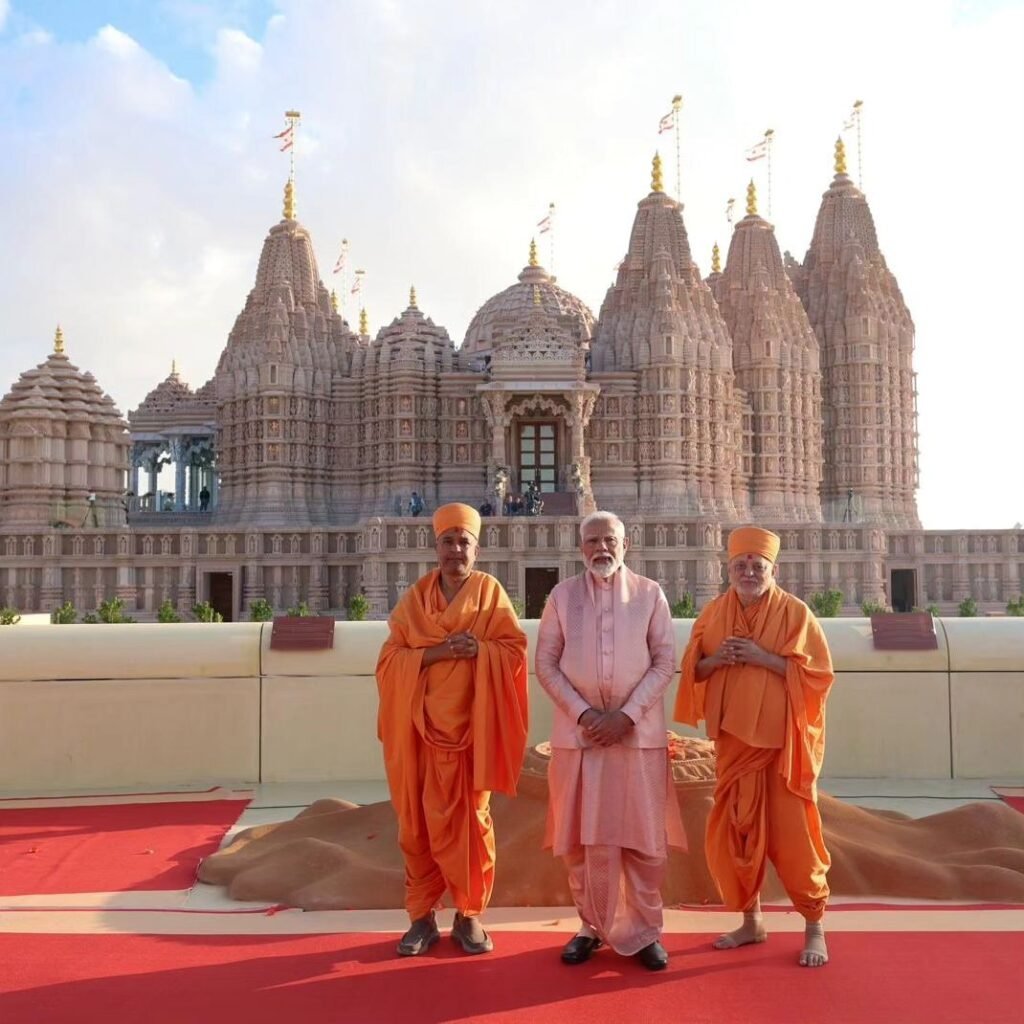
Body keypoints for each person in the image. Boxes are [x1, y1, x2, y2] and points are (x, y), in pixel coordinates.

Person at [676, 526, 834, 967]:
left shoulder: (796, 614)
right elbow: (694, 671)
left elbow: (819, 677)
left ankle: (815, 926)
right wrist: (717, 659)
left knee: (795, 837)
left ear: (772, 570)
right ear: (727, 569)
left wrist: (762, 657)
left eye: (756, 566)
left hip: (781, 749)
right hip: (733, 746)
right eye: (740, 565)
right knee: (740, 834)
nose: (748, 571)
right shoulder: (712, 613)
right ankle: (752, 921)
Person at [376, 502, 529, 958]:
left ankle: (468, 915)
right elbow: (388, 662)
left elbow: (514, 650)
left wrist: (481, 649)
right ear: (436, 547)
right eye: (448, 541)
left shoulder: (490, 593)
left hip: (471, 734)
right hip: (419, 735)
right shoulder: (416, 599)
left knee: (472, 825)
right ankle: (421, 917)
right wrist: (440, 653)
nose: (455, 550)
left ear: (476, 550)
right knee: (416, 824)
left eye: (464, 542)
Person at [535, 510, 683, 971]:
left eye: (610, 540)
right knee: (581, 841)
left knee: (643, 840)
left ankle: (645, 931)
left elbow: (664, 662)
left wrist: (626, 715)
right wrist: (584, 715)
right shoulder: (561, 597)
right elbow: (546, 664)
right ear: (581, 548)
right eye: (593, 540)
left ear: (626, 544)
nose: (602, 548)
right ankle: (591, 926)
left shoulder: (649, 595)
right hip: (578, 740)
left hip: (636, 739)